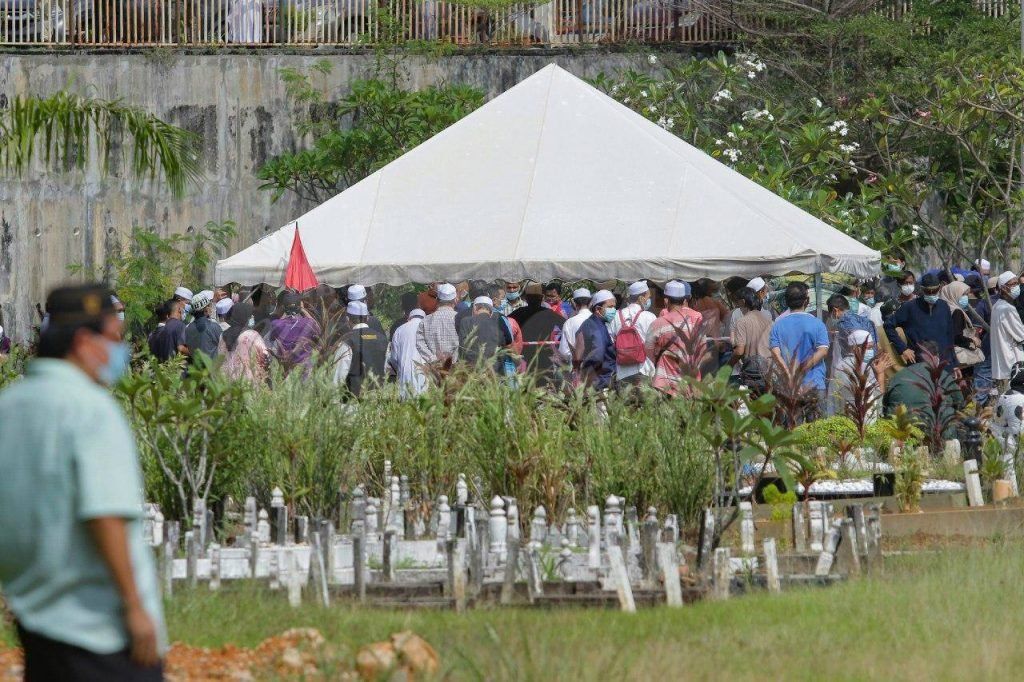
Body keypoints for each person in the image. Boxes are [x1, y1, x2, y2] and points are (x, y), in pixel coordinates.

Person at [0, 284, 165, 680]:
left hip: (36, 621)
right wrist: (134, 607)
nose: (120, 352)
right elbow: (105, 513)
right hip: (100, 629)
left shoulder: (11, 405)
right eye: (115, 339)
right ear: (83, 341)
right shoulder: (91, 409)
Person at [769, 282, 831, 419]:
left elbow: (775, 353)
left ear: (786, 301)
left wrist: (790, 374)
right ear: (807, 301)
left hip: (789, 386)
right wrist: (802, 369)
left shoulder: (777, 326)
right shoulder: (817, 324)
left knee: (793, 431)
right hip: (814, 383)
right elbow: (822, 351)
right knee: (818, 431)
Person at [884, 341, 964, 437]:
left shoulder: (896, 377)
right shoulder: (943, 375)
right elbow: (960, 403)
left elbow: (885, 405)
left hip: (901, 433)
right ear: (935, 358)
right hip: (936, 434)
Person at [883, 272, 958, 373]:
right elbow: (888, 325)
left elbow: (949, 337)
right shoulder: (909, 307)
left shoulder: (944, 307)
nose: (931, 294)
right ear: (922, 289)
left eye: (934, 291)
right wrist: (903, 349)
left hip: (944, 365)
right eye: (928, 291)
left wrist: (955, 364)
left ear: (939, 288)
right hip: (920, 366)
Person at [646, 280, 705, 396]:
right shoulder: (695, 320)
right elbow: (702, 349)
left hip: (665, 384)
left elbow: (648, 353)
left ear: (666, 300)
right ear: (684, 300)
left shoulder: (657, 324)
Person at [510, 283, 565, 384]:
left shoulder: (519, 312)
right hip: (540, 356)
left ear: (526, 298)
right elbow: (565, 324)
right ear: (542, 298)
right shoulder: (548, 313)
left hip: (528, 356)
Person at [607, 280, 657, 388]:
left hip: (622, 373)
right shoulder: (649, 316)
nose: (649, 300)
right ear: (641, 298)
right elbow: (655, 344)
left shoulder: (616, 316)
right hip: (645, 369)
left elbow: (610, 342)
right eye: (648, 297)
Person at [333, 301, 387, 397]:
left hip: (354, 403)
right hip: (378, 400)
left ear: (347, 319)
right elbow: (387, 369)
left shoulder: (348, 341)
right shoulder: (382, 339)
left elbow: (339, 376)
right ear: (367, 318)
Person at [730, 287, 772, 389]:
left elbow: (739, 351)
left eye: (737, 303)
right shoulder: (768, 320)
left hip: (753, 373)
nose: (737, 306)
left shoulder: (742, 322)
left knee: (754, 403)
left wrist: (728, 365)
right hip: (769, 371)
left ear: (743, 302)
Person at [266, 290, 321, 369]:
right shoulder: (308, 323)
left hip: (285, 368)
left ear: (283, 307)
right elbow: (318, 330)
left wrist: (285, 312)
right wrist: (303, 310)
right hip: (304, 368)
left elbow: (270, 340)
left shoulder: (276, 324)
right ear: (300, 307)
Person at [939, 280, 983, 378]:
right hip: (958, 359)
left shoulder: (942, 308)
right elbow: (956, 337)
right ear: (955, 294)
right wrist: (972, 340)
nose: (966, 297)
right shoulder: (956, 312)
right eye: (963, 294)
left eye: (967, 294)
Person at [218, 302, 269, 384]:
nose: (252, 318)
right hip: (248, 385)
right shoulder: (251, 335)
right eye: (251, 316)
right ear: (244, 317)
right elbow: (265, 356)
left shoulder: (223, 335)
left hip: (227, 384)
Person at [990, 271, 1024, 393]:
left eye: (1017, 283)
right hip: (1011, 364)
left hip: (1003, 364)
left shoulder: (997, 306)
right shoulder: (1007, 309)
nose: (1016, 287)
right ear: (1003, 288)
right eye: (1013, 284)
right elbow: (1021, 335)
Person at [577, 289, 617, 391]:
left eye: (614, 306)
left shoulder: (595, 323)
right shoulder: (595, 326)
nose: (613, 310)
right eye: (610, 307)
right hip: (600, 382)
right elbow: (597, 354)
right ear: (598, 309)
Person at [458, 296, 511, 372]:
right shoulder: (498, 321)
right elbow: (507, 341)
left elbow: (463, 347)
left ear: (475, 308)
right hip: (493, 369)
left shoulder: (465, 321)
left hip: (471, 369)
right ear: (491, 310)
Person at [416, 282, 460, 368]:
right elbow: (463, 343)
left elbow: (419, 343)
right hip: (455, 369)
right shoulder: (460, 319)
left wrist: (433, 359)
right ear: (455, 300)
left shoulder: (425, 320)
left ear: (437, 300)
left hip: (434, 369)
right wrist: (452, 360)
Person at [388, 308, 427, 398]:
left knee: (405, 406)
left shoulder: (399, 330)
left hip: (404, 373)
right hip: (424, 372)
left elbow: (394, 357)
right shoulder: (428, 328)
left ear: (409, 318)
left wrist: (399, 369)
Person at [555, 288, 593, 366]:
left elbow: (564, 351)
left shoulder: (569, 322)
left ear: (574, 304)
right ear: (590, 303)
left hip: (576, 367)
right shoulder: (598, 320)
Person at [183, 290, 222, 361]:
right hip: (211, 368)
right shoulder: (214, 326)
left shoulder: (187, 328)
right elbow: (222, 346)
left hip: (195, 369)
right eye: (209, 306)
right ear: (206, 309)